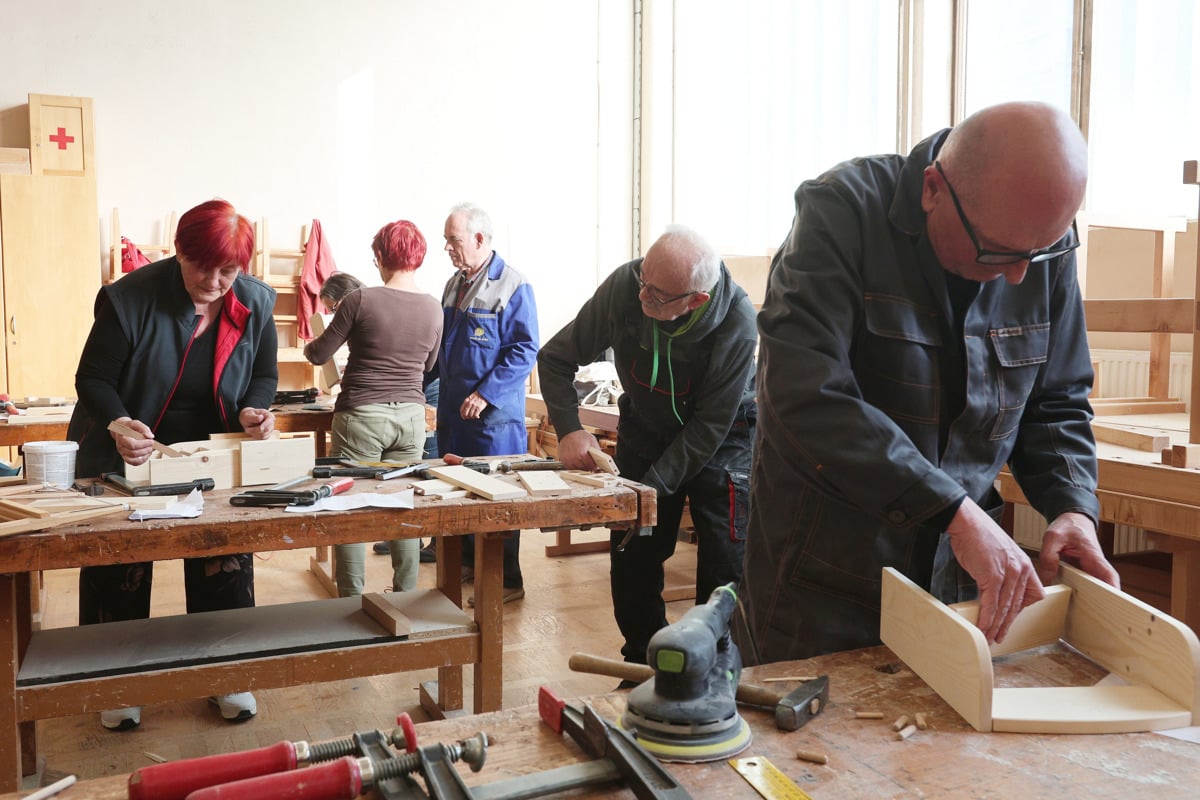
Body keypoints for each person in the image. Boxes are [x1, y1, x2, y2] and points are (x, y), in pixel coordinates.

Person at [739, 101, 1121, 664]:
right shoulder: (841, 212)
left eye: (1036, 253)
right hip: (825, 583)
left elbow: (1055, 401)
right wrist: (951, 511)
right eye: (998, 251)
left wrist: (1072, 506)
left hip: (957, 584)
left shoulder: (1036, 243)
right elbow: (806, 395)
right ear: (932, 189)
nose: (1019, 275)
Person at [67, 198, 278, 730]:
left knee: (221, 555)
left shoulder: (254, 302)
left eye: (228, 271)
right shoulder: (129, 298)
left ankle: (225, 672)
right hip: (131, 449)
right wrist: (118, 423)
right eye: (202, 267)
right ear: (179, 251)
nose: (214, 282)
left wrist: (254, 410)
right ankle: (116, 681)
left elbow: (264, 375)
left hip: (209, 452)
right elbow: (93, 378)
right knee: (121, 562)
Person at [538, 225, 757, 667]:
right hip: (645, 428)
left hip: (723, 437)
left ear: (695, 300)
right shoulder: (627, 284)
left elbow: (709, 426)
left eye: (656, 295)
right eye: (643, 280)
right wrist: (569, 428)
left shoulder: (737, 321)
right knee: (633, 552)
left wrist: (650, 489)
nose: (641, 296)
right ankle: (643, 663)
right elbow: (555, 357)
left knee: (724, 562)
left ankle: (711, 670)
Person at [305, 221, 443, 597]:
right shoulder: (434, 308)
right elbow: (429, 365)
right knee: (403, 503)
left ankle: (350, 601)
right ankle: (405, 596)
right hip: (411, 419)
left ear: (381, 256)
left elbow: (319, 354)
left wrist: (310, 343)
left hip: (362, 415)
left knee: (349, 505)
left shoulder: (360, 300)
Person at [435, 203, 538, 604]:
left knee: (497, 500)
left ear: (479, 239)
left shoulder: (513, 285)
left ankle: (507, 581)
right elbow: (441, 349)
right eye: (446, 240)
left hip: (492, 419)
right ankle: (466, 564)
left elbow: (524, 350)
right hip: (454, 414)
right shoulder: (453, 285)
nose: (447, 247)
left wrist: (485, 394)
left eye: (453, 239)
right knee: (459, 493)